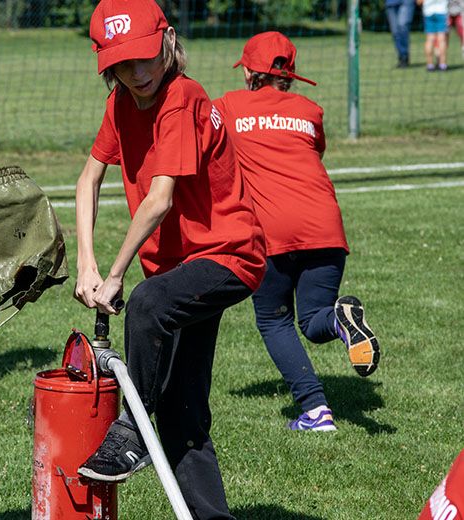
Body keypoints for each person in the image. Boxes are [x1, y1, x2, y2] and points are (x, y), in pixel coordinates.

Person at [73, 1, 266, 517]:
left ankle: (131, 430)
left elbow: (160, 199)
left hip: (229, 255)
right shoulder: (120, 105)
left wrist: (114, 275)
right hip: (180, 271)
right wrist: (86, 265)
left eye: (142, 57)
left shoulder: (183, 96)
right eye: (120, 62)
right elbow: (88, 178)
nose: (136, 73)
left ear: (167, 41)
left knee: (147, 303)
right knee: (183, 413)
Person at [212, 31, 381, 432]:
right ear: (289, 74)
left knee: (274, 320)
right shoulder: (310, 109)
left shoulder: (228, 107)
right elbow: (313, 152)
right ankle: (341, 320)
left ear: (251, 73)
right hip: (326, 227)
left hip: (271, 230)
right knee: (313, 321)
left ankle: (316, 411)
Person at [419, 0, 450, 70]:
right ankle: (442, 64)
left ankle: (430, 65)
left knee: (430, 39)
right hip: (442, 11)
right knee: (442, 40)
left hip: (428, 12)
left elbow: (419, 2)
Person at [386, 0, 417, 67]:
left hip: (406, 2)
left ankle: (404, 56)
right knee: (395, 31)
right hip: (391, 3)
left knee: (402, 26)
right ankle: (401, 55)